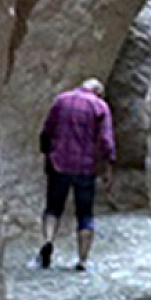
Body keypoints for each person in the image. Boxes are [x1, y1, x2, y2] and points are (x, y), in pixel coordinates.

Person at [37, 78, 116, 271]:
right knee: (85, 214)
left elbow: (47, 130)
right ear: (97, 92)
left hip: (59, 163)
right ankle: (82, 260)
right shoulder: (100, 107)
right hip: (85, 167)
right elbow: (106, 140)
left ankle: (48, 241)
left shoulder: (61, 100)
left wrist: (47, 153)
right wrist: (108, 167)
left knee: (53, 208)